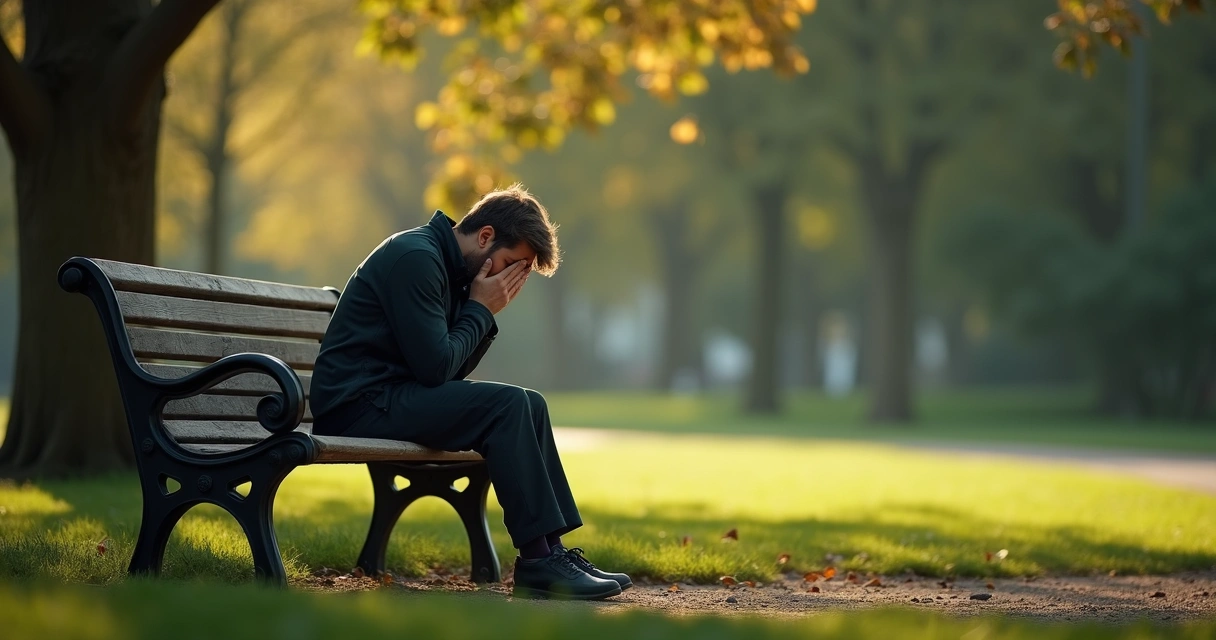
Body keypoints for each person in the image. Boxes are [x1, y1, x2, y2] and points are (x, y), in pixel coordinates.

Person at [310, 185, 630, 600]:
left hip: (391, 394)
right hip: (357, 404)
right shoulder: (417, 259)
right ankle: (537, 561)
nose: (511, 277)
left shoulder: (454, 269)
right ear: (485, 237)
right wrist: (481, 309)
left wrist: (481, 310)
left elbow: (447, 371)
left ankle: (552, 552)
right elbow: (436, 369)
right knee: (508, 405)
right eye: (513, 263)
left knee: (530, 403)